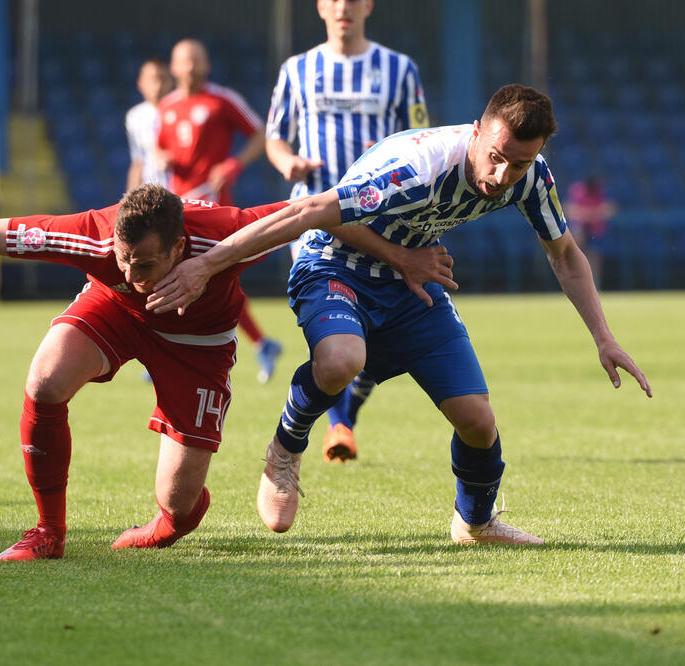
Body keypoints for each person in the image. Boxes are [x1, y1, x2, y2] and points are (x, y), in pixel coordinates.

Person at [147, 84, 652, 545]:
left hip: (411, 282)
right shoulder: (417, 169)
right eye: (496, 157)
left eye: (518, 164)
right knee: (341, 360)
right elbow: (311, 214)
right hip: (333, 265)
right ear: (476, 133)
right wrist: (206, 266)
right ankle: (285, 448)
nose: (502, 177)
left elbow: (564, 254)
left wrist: (604, 337)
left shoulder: (530, 177)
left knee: (477, 421)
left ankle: (474, 523)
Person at [0, 185, 296, 561]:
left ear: (179, 247)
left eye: (145, 264)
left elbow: (315, 211)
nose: (132, 275)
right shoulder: (92, 238)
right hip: (117, 315)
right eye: (123, 260)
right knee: (45, 380)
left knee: (179, 504)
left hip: (197, 342)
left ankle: (169, 520)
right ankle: (49, 532)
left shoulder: (230, 230)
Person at [266, 0, 429, 462]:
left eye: (353, 0)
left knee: (376, 334)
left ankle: (343, 419)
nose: (343, 7)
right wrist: (287, 162)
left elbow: (420, 137)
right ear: (321, 6)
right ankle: (336, 423)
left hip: (382, 219)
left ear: (368, 6)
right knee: (334, 327)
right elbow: (275, 135)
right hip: (314, 219)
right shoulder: (298, 69)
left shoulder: (399, 70)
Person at [158, 38, 283, 384]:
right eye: (185, 61)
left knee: (213, 277)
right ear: (174, 67)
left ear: (206, 65)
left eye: (197, 60)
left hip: (212, 206)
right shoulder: (166, 108)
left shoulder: (222, 100)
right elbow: (161, 149)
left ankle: (254, 343)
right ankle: (259, 343)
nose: (191, 67)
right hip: (177, 207)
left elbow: (261, 134)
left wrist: (233, 163)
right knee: (189, 278)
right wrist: (162, 157)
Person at [125, 58, 173, 191]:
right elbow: (138, 161)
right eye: (152, 79)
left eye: (162, 79)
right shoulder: (135, 116)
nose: (157, 85)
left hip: (183, 192)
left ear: (170, 82)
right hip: (151, 194)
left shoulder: (180, 109)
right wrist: (130, 198)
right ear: (140, 83)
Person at [563, 175, 615, 289]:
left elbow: (610, 209)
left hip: (596, 231)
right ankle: (575, 286)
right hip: (580, 229)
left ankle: (594, 286)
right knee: (576, 254)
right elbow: (568, 209)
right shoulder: (577, 190)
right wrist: (587, 215)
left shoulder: (601, 192)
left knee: (594, 258)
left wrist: (594, 215)